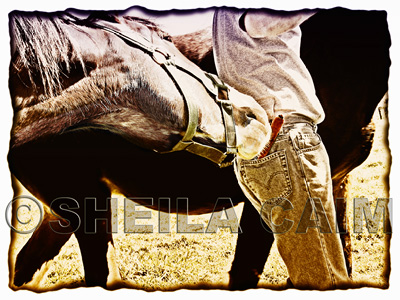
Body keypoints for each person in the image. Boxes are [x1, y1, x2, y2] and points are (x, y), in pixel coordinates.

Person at [212, 7, 350, 290]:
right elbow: (261, 21)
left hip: (260, 147)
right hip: (286, 140)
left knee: (311, 271)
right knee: (323, 281)